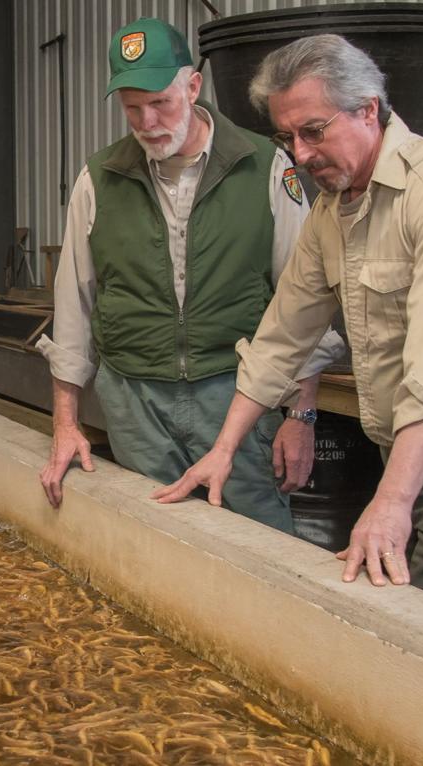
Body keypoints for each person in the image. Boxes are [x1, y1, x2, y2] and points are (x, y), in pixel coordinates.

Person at [154, 34, 423, 625]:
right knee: (404, 606)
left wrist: (391, 502)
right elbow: (280, 338)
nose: (300, 153)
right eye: (286, 137)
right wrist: (222, 451)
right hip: (411, 441)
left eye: (313, 131)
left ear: (368, 109)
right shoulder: (332, 210)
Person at [36, 17, 344, 534]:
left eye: (161, 102)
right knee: (149, 535)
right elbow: (74, 305)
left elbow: (302, 304)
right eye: (132, 108)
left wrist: (301, 414)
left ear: (193, 86)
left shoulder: (263, 165)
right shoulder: (99, 178)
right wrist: (65, 424)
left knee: (256, 537)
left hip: (237, 391)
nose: (148, 120)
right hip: (135, 397)